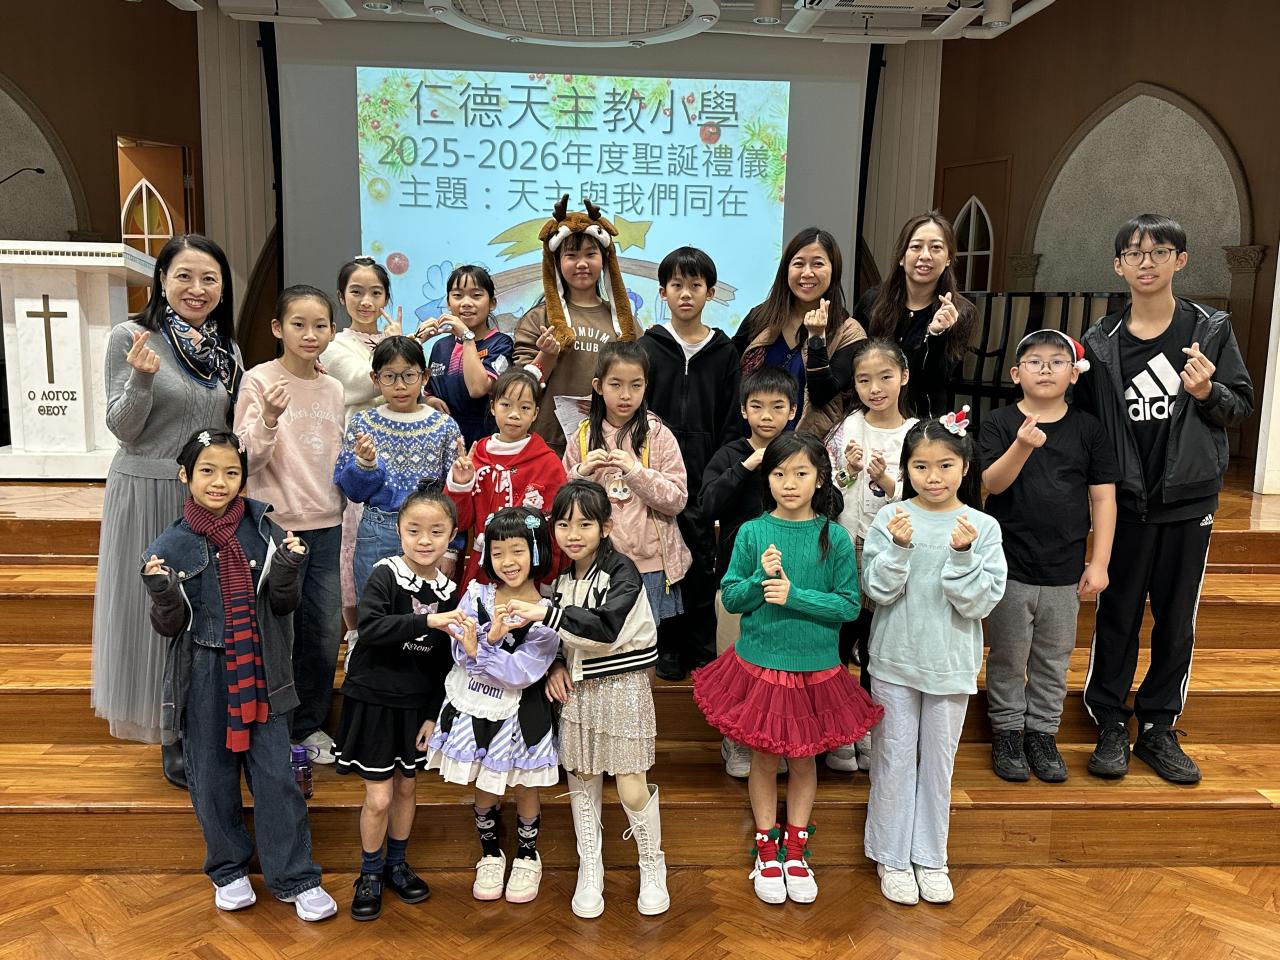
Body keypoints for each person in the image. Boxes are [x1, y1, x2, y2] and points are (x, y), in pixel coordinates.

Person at [1075, 214, 1254, 785]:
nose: (1146, 261)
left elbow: (1239, 406)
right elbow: (1087, 424)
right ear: (1118, 266)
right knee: (1118, 614)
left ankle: (1157, 726)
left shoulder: (1209, 329)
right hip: (1126, 502)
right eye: (1134, 252)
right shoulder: (1100, 341)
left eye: (1159, 251)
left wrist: (1206, 391)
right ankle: (1109, 720)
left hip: (1187, 501)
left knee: (1176, 620)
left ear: (1181, 259)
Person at [140, 429, 337, 921]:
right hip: (204, 673)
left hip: (263, 669)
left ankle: (295, 877)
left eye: (231, 472)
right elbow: (169, 626)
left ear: (243, 480)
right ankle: (228, 871)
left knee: (276, 777)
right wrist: (162, 589)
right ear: (185, 475)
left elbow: (285, 604)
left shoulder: (264, 529)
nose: (219, 481)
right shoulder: (169, 545)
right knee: (211, 778)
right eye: (207, 470)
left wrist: (288, 566)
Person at [693, 433, 881, 906]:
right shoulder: (752, 533)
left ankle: (796, 849)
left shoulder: (835, 537)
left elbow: (848, 605)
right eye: (779, 474)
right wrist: (761, 578)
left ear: (820, 479)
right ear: (767, 478)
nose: (790, 483)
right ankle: (766, 846)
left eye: (801, 473)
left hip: (816, 669)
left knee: (803, 759)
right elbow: (732, 597)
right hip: (761, 665)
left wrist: (795, 595)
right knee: (763, 758)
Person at [92, 233, 243, 788]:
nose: (196, 288)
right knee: (157, 611)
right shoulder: (131, 336)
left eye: (209, 278)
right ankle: (168, 733)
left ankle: (196, 721)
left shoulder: (227, 351)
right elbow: (123, 428)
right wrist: (141, 377)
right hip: (147, 490)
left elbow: (226, 431)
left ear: (222, 288)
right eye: (184, 276)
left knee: (203, 611)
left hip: (204, 497)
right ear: (161, 280)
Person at [504, 480, 668, 919]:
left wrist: (546, 612)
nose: (573, 534)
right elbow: (558, 640)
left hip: (623, 685)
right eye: (563, 524)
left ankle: (652, 865)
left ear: (606, 527)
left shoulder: (623, 571)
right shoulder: (561, 579)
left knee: (631, 783)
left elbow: (606, 628)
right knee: (581, 778)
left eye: (585, 524)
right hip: (577, 689)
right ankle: (589, 867)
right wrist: (556, 664)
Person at [862, 414, 1006, 906]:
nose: (933, 476)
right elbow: (876, 590)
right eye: (920, 466)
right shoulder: (891, 517)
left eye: (945, 465)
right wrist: (900, 548)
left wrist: (963, 556)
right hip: (894, 659)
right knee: (893, 758)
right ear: (906, 469)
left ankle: (930, 856)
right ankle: (891, 856)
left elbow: (980, 604)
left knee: (939, 765)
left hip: (950, 663)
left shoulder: (982, 526)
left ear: (965, 466)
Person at [980, 330, 1118, 783]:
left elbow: (1103, 498)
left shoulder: (1088, 429)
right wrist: (1023, 444)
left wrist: (1099, 562)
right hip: (1009, 566)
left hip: (1064, 570)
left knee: (1054, 658)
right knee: (1007, 654)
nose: (1045, 369)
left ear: (1073, 374)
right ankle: (1007, 731)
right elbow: (991, 484)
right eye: (1034, 361)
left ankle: (1042, 732)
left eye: (1057, 361)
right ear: (1016, 373)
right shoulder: (999, 423)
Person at [336, 481, 465, 921]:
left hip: (415, 708)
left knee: (407, 787)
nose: (424, 541)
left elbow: (444, 664)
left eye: (436, 532)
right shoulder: (385, 574)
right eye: (414, 530)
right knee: (378, 797)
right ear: (399, 530)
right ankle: (369, 872)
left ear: (452, 536)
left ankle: (396, 864)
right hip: (373, 701)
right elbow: (371, 629)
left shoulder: (450, 592)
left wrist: (432, 715)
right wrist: (428, 621)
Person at [425, 507, 560, 904]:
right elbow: (459, 648)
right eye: (498, 552)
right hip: (476, 709)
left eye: (517, 551)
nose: (507, 561)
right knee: (484, 781)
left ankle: (528, 855)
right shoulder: (476, 594)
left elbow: (521, 671)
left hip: (524, 711)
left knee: (525, 784)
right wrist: (480, 644)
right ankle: (490, 853)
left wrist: (483, 647)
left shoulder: (548, 609)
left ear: (536, 551)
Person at [235, 284, 345, 764]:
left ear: (333, 331)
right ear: (278, 328)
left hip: (329, 523)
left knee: (322, 634)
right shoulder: (259, 381)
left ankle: (309, 725)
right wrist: (269, 419)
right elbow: (245, 459)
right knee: (277, 633)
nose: (309, 334)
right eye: (298, 324)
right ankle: (271, 729)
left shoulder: (333, 387)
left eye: (320, 325)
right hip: (276, 526)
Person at [640, 246, 742, 681]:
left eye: (695, 285)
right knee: (662, 562)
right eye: (677, 285)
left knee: (700, 562)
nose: (686, 294)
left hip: (703, 477)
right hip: (656, 478)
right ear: (663, 291)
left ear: (710, 292)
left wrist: (719, 474)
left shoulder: (725, 351)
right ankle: (667, 647)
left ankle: (702, 647)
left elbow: (732, 420)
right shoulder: (648, 346)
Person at [825, 338, 919, 773]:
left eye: (885, 377)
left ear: (904, 377)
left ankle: (868, 727)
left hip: (893, 551)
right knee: (842, 637)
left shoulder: (917, 433)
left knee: (878, 644)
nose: (875, 388)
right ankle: (840, 728)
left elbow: (925, 495)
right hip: (847, 546)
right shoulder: (847, 428)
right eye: (864, 380)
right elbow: (828, 487)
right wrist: (849, 470)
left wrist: (887, 482)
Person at [700, 366, 797, 778]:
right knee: (736, 662)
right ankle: (737, 738)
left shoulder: (801, 453)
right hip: (737, 580)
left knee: (780, 667)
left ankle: (776, 739)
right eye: (757, 406)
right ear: (743, 410)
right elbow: (706, 505)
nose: (767, 416)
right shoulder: (729, 454)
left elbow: (828, 504)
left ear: (793, 410)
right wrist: (745, 467)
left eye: (777, 406)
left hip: (791, 583)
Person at [563, 341, 691, 627]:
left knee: (644, 642)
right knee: (599, 639)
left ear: (646, 386)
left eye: (636, 385)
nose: (625, 395)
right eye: (615, 384)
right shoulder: (582, 437)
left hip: (649, 564)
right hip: (595, 563)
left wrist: (635, 471)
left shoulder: (658, 434)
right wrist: (581, 473)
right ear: (598, 386)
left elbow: (677, 500)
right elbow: (562, 505)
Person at [333, 336, 461, 595]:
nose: (400, 386)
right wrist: (365, 464)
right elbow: (352, 491)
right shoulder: (363, 423)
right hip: (377, 530)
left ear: (425, 376)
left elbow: (454, 495)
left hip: (429, 535)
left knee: (424, 610)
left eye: (409, 376)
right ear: (375, 379)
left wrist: (451, 548)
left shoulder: (444, 426)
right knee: (374, 608)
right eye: (389, 377)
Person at [513, 195, 639, 457]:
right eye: (571, 256)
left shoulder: (625, 323)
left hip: (609, 447)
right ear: (557, 262)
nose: (582, 264)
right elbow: (520, 388)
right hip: (547, 446)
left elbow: (640, 380)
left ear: (604, 259)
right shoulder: (538, 318)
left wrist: (609, 400)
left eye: (591, 254)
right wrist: (546, 354)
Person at [323, 256, 401, 640]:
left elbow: (407, 386)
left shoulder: (393, 340)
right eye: (356, 292)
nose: (366, 301)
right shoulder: (334, 346)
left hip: (400, 454)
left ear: (386, 297)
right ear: (342, 297)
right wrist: (395, 347)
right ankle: (356, 635)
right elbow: (362, 382)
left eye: (376, 293)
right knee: (355, 542)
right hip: (360, 456)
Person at [732, 227, 865, 437]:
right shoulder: (760, 317)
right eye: (799, 263)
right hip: (751, 442)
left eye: (818, 264)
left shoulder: (848, 332)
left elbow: (821, 395)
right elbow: (730, 371)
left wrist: (817, 338)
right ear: (786, 269)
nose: (807, 273)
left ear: (834, 270)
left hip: (809, 447)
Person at [447, 368, 566, 588]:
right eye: (506, 405)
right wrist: (460, 484)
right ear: (493, 407)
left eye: (525, 407)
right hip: (483, 571)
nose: (514, 414)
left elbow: (557, 529)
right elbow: (460, 522)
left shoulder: (549, 463)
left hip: (530, 573)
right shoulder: (477, 457)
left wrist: (549, 579)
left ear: (536, 413)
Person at [857, 212, 976, 419]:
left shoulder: (959, 312)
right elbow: (857, 361)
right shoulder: (873, 301)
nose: (925, 255)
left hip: (922, 420)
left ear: (949, 258)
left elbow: (937, 380)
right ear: (901, 257)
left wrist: (936, 335)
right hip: (871, 414)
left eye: (936, 247)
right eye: (916, 247)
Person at [423, 265, 514, 447]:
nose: (466, 303)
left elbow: (478, 389)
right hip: (443, 439)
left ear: (492, 303)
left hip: (485, 440)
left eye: (476, 295)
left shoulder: (501, 343)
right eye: (458, 295)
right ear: (448, 303)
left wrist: (466, 337)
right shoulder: (440, 346)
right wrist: (431, 401)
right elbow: (429, 391)